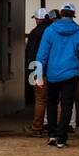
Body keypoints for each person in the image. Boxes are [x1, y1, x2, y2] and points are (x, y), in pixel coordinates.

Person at [36, 2, 79, 148]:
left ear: (60, 13)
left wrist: (39, 75)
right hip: (71, 72)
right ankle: (62, 137)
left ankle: (52, 134)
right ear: (74, 15)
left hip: (53, 73)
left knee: (52, 103)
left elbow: (42, 55)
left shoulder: (49, 30)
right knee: (67, 105)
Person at [24, 7, 52, 136]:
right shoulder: (54, 30)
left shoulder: (35, 33)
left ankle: (37, 127)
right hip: (56, 71)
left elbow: (31, 54)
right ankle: (55, 127)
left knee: (40, 100)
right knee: (56, 100)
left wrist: (32, 74)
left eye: (35, 19)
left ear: (38, 19)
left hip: (41, 71)